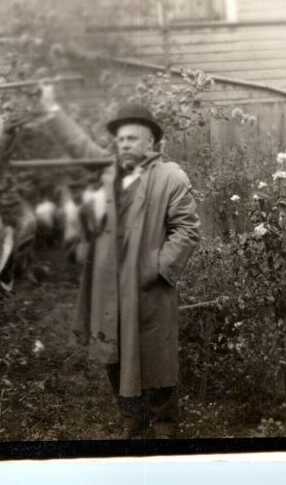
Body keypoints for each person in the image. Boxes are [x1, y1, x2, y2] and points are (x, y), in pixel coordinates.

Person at [34, 85, 200, 439]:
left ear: (152, 143)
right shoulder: (109, 172)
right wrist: (52, 110)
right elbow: (80, 147)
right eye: (120, 139)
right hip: (109, 286)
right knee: (115, 354)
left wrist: (155, 268)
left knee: (156, 358)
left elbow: (187, 230)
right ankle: (134, 427)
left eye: (132, 139)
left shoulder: (171, 178)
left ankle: (165, 429)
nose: (124, 145)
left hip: (147, 289)